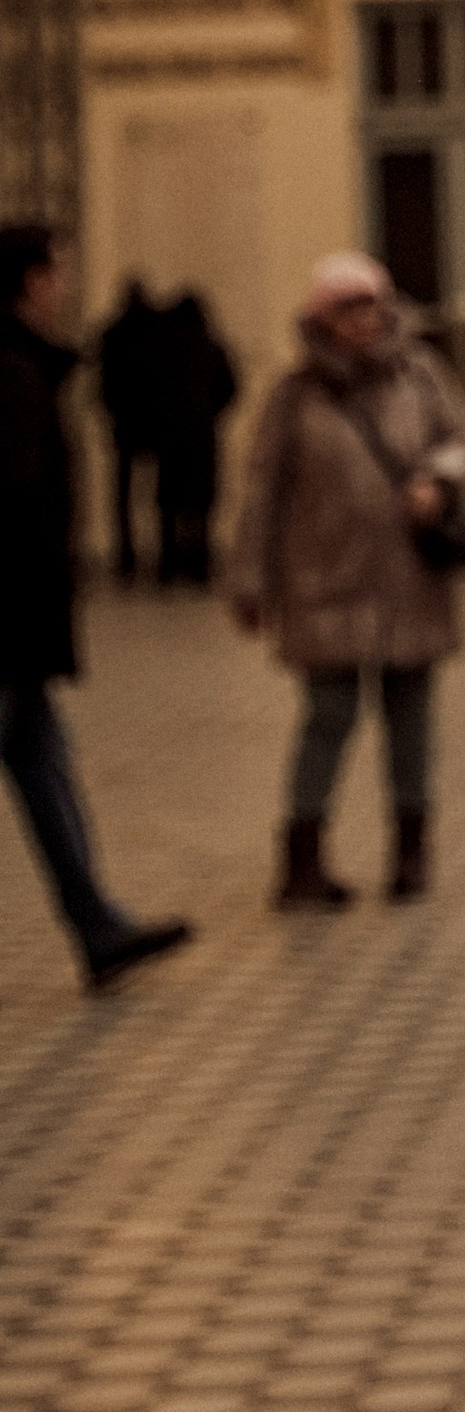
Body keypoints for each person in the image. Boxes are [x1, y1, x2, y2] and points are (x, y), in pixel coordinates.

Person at [226, 252, 465, 906]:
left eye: (371, 304)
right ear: (322, 318)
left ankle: (411, 851)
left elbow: (461, 438)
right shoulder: (295, 391)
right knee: (327, 719)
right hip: (324, 583)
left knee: (411, 721)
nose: (363, 319)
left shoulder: (419, 372)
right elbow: (264, 490)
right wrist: (250, 580)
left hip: (408, 582)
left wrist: (438, 479)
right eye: (347, 308)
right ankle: (302, 861)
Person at [0, 223, 194, 991]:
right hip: (9, 619)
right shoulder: (11, 372)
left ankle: (97, 922)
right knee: (39, 757)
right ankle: (96, 921)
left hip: (19, 620)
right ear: (30, 280)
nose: (66, 284)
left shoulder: (25, 366)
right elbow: (14, 504)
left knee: (44, 762)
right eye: (58, 270)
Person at [148, 290, 236, 587]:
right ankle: (199, 565)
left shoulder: (161, 351)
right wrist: (210, 413)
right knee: (200, 506)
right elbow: (229, 387)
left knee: (170, 507)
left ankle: (169, 564)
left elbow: (148, 390)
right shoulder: (210, 348)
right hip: (200, 436)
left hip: (169, 438)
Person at [94, 278, 165, 584]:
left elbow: (105, 383)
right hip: (155, 424)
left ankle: (126, 556)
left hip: (125, 423)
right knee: (159, 496)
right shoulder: (159, 334)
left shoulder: (114, 334)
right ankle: (160, 556)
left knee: (123, 496)